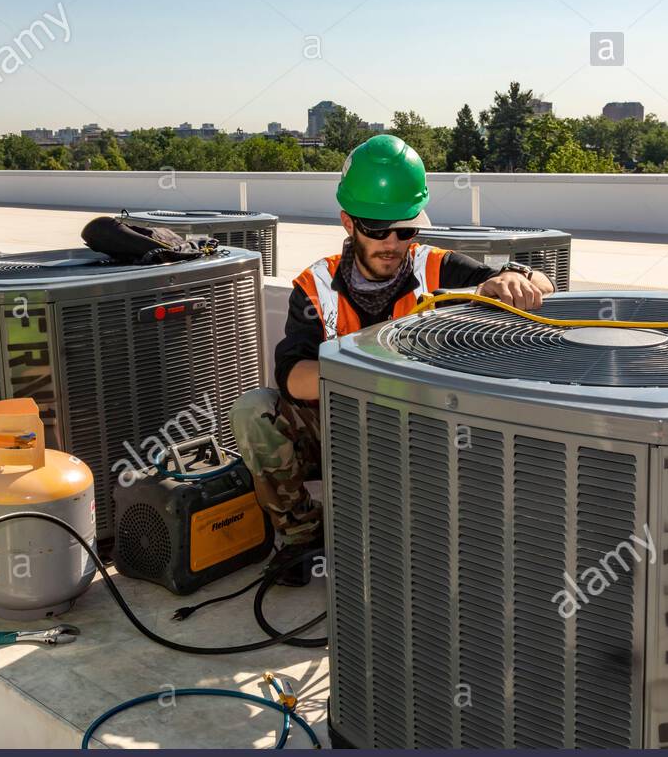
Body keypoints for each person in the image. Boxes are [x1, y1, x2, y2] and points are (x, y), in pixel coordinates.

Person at [231, 134, 555, 552]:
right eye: (377, 229)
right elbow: (293, 377)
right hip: (339, 427)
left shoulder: (435, 267)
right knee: (253, 412)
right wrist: (377, 371)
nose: (392, 244)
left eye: (404, 231)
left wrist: (516, 276)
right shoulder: (315, 286)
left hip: (417, 433)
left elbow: (543, 283)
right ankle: (302, 536)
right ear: (348, 223)